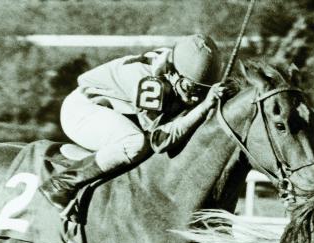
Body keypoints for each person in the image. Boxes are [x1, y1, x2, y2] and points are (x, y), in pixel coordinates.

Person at [41, 34, 227, 213]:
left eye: (203, 91)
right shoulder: (150, 85)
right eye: (191, 88)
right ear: (172, 73)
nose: (195, 97)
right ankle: (61, 184)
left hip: (115, 111)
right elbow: (159, 140)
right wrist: (203, 108)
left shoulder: (177, 70)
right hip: (82, 110)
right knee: (135, 143)